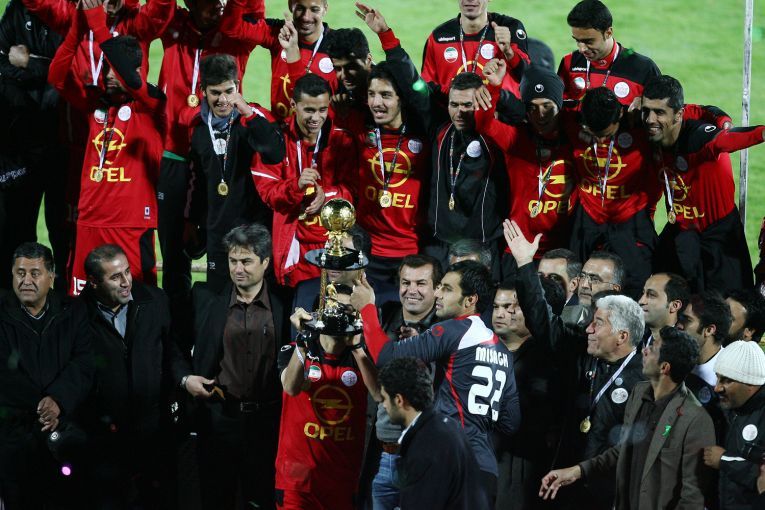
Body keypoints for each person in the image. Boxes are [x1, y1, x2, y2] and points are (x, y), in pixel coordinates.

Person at [353, 260, 521, 503]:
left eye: (447, 289)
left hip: (447, 463)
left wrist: (367, 308)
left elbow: (385, 356)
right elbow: (510, 422)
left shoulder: (453, 330)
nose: (438, 294)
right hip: (485, 470)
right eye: (440, 286)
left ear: (470, 300)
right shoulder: (503, 352)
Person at [504, 218, 643, 510]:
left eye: (595, 279)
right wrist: (525, 265)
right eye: (584, 277)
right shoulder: (581, 347)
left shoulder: (643, 375)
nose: (585, 285)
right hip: (563, 481)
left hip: (611, 492)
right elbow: (543, 324)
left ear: (622, 336)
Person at [48, 0, 166, 294]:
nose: (110, 76)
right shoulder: (94, 103)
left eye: (116, 70)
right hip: (90, 219)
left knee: (137, 300)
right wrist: (78, 27)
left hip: (131, 223)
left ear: (135, 70)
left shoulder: (152, 104)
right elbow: (57, 77)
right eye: (107, 69)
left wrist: (98, 25)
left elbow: (130, 80)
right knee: (82, 300)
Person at [156, 0, 265, 304]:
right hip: (176, 154)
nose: (218, 4)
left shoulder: (235, 31)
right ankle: (179, 326)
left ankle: (231, 321)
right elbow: (155, 9)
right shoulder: (174, 26)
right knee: (176, 252)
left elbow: (255, 12)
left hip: (222, 161)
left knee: (228, 251)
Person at [176, 223, 289, 510]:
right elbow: (174, 346)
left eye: (246, 261)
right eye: (233, 261)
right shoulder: (204, 297)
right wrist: (185, 378)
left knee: (263, 500)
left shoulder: (286, 302)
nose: (238, 269)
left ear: (266, 262)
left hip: (269, 424)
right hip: (219, 420)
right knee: (216, 499)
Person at [540, 326, 715, 509]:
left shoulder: (696, 420)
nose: (644, 350)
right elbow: (623, 450)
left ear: (664, 367)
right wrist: (577, 471)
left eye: (652, 348)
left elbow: (692, 498)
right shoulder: (638, 392)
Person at [74, 243, 185, 507]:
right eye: (115, 277)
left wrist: (185, 378)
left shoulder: (155, 301)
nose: (126, 282)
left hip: (153, 432)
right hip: (104, 437)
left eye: (127, 272)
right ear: (93, 282)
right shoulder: (76, 315)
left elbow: (173, 352)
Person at [643, 75, 765, 294]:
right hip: (679, 230)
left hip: (718, 235)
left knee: (730, 304)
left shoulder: (698, 138)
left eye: (659, 112)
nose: (650, 119)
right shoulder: (649, 131)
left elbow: (728, 139)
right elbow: (699, 109)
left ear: (678, 115)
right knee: (659, 294)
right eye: (646, 110)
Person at [0, 242, 94, 510]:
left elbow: (84, 362)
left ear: (51, 276)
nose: (26, 281)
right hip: (14, 437)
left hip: (63, 432)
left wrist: (58, 400)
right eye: (20, 273)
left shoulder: (73, 310)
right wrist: (43, 405)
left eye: (35, 273)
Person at [185, 53, 284, 291]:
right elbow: (199, 183)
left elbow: (275, 153)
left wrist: (248, 114)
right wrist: (193, 222)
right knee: (219, 300)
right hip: (218, 233)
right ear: (203, 91)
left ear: (237, 87)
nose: (223, 100)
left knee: (259, 300)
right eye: (215, 93)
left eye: (229, 91)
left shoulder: (254, 118)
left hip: (255, 232)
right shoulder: (199, 130)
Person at [278, 286, 380, 510]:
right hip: (297, 480)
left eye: (348, 311)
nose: (340, 317)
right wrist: (304, 341)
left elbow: (379, 394)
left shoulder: (363, 358)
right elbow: (291, 388)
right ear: (318, 314)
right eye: (334, 309)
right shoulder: (294, 350)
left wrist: (358, 349)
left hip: (343, 480)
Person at [353, 4, 431, 285]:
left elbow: (413, 84)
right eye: (372, 94)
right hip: (367, 254)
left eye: (386, 95)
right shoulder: (361, 130)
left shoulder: (423, 132)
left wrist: (386, 36)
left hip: (411, 257)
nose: (376, 102)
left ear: (401, 98)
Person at [476, 61, 577, 282]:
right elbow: (483, 124)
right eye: (532, 107)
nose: (540, 114)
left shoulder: (574, 138)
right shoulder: (517, 139)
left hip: (563, 253)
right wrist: (494, 87)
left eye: (547, 106)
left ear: (559, 105)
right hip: (518, 250)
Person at [252, 72, 355, 287]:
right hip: (293, 245)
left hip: (334, 244)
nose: (316, 118)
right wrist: (296, 186)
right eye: (309, 110)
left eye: (322, 110)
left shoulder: (342, 139)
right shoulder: (276, 140)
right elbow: (267, 192)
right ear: (293, 105)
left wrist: (326, 195)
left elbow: (354, 188)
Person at [568, 86, 658, 299]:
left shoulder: (640, 125)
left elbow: (678, 111)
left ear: (620, 115)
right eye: (595, 134)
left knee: (636, 286)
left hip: (630, 219)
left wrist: (721, 121)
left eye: (606, 135)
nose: (601, 141)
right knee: (578, 284)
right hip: (588, 217)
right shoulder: (570, 121)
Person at [0, 0, 66, 291]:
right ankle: (16, 300)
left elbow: (71, 71)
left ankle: (64, 297)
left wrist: (29, 63)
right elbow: (2, 61)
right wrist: (44, 69)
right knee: (17, 226)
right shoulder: (17, 9)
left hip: (63, 141)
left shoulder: (67, 12)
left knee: (63, 229)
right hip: (21, 143)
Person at [368, 254, 440, 509]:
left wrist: (420, 345)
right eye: (406, 282)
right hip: (379, 452)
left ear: (437, 289)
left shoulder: (445, 330)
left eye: (421, 283)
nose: (411, 290)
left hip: (424, 458)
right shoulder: (382, 318)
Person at [426, 71, 507, 279]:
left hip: (481, 245)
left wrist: (494, 90)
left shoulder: (494, 139)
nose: (459, 112)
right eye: (454, 105)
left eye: (467, 105)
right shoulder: (442, 132)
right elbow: (413, 87)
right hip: (441, 243)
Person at [378, 357, 488, 509]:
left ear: (398, 400)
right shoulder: (446, 427)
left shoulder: (427, 444)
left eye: (384, 398)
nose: (383, 405)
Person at [492, 284, 560, 509]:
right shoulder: (484, 352)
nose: (501, 314)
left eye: (510, 307)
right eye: (496, 307)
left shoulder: (546, 358)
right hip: (487, 459)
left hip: (522, 467)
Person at [219, 0, 337, 121]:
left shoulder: (338, 46)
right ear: (291, 5)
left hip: (320, 130)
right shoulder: (278, 32)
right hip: (280, 130)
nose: (306, 17)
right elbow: (232, 27)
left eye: (314, 10)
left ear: (325, 9)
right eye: (300, 8)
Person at [421, 0, 529, 117]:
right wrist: (459, 96)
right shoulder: (438, 37)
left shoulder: (509, 28)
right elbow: (426, 87)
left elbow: (527, 78)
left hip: (501, 119)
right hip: (455, 121)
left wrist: (508, 51)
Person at [557, 0, 660, 110]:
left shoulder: (643, 69)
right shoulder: (569, 63)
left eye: (589, 42)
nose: (582, 49)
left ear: (608, 33)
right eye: (577, 41)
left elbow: (663, 112)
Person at [703, 341, 765, 510]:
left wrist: (724, 460)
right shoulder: (725, 408)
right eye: (717, 377)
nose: (717, 388)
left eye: (727, 380)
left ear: (750, 383)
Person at [680, 292, 731, 445]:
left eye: (687, 320)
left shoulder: (731, 376)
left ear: (709, 330)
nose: (679, 325)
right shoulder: (676, 360)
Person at [638, 272, 689, 345]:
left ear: (674, 306)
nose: (641, 301)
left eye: (651, 295)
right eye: (643, 293)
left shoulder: (684, 346)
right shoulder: (635, 338)